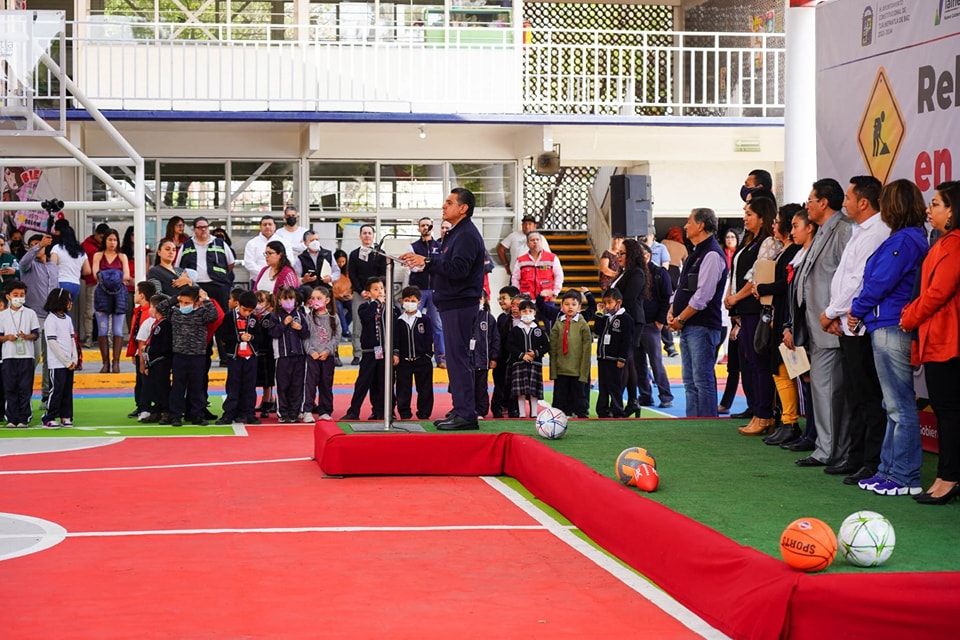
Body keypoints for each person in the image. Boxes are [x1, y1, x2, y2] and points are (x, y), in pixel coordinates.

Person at [847, 179, 928, 495]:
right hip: (884, 324)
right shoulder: (905, 238)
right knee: (891, 402)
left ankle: (904, 476)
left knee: (898, 404)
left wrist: (857, 308)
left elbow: (881, 281)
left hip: (892, 326)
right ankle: (890, 470)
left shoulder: (906, 241)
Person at [817, 176, 891, 477]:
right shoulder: (859, 230)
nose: (844, 203)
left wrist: (831, 312)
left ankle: (870, 461)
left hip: (857, 323)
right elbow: (844, 277)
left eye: (848, 197)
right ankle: (856, 455)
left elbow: (859, 281)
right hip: (846, 323)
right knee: (855, 395)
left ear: (863, 202)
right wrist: (833, 314)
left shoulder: (878, 231)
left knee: (868, 396)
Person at [400, 188, 487, 431]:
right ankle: (461, 408)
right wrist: (421, 262)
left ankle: (466, 413)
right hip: (450, 302)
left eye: (449, 203)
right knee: (455, 359)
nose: (443, 206)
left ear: (463, 208)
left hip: (460, 303)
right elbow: (446, 265)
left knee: (458, 359)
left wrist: (427, 261)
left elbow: (458, 269)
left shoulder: (467, 235)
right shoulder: (454, 234)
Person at [900, 180, 960, 504]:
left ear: (953, 211)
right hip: (938, 339)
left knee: (949, 412)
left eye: (936, 203)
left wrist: (908, 317)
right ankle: (946, 476)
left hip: (947, 341)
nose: (929, 209)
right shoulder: (943, 242)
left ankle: (948, 478)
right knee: (948, 412)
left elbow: (937, 293)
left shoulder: (954, 244)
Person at [791, 178, 853, 468]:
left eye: (810, 200)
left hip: (831, 325)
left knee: (829, 391)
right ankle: (825, 447)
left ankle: (830, 450)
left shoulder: (843, 230)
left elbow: (850, 277)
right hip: (816, 325)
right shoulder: (824, 231)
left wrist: (837, 314)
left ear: (823, 203)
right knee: (822, 389)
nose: (807, 205)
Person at [725, 196, 781, 436]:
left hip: (757, 309)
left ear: (762, 217)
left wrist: (736, 298)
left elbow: (755, 276)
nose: (745, 218)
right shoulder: (750, 242)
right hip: (743, 310)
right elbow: (737, 273)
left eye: (749, 214)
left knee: (759, 363)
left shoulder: (768, 242)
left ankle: (764, 414)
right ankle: (758, 412)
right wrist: (731, 298)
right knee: (750, 363)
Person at [668, 208, 728, 418]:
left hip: (701, 325)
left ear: (701, 225)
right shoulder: (696, 252)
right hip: (689, 325)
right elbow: (683, 288)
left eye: (689, 221)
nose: (685, 226)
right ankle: (692, 422)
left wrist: (681, 317)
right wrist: (671, 310)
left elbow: (703, 296)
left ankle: (706, 424)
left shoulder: (711, 254)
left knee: (701, 380)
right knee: (690, 381)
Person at [753, 204, 804, 445]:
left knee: (786, 370)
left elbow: (785, 284)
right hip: (779, 315)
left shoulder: (794, 251)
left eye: (778, 221)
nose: (774, 225)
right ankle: (787, 420)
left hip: (786, 315)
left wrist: (762, 288)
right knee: (780, 370)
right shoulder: (788, 249)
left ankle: (790, 422)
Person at [780, 207, 820, 453]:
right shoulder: (799, 255)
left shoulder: (812, 255)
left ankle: (815, 435)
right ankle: (810, 432)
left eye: (796, 226)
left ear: (810, 228)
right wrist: (788, 326)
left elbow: (807, 298)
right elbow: (793, 298)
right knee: (805, 382)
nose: (792, 231)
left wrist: (794, 328)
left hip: (810, 328)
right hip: (796, 326)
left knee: (814, 385)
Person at [158, 286, 220, 426]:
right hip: (179, 356)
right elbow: (161, 307)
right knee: (177, 387)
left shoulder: (202, 313)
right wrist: (175, 298)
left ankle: (197, 415)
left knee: (196, 388)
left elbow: (214, 315)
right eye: (181, 302)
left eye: (187, 303)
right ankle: (176, 415)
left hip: (197, 357)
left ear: (197, 302)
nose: (183, 305)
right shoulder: (175, 312)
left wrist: (206, 299)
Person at [342, 277, 390, 421]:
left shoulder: (390, 308)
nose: (380, 292)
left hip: (385, 351)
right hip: (370, 351)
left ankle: (380, 411)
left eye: (381, 288)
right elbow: (367, 317)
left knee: (381, 383)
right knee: (363, 382)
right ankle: (353, 411)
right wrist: (376, 303)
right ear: (368, 293)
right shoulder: (365, 307)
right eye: (375, 289)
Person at [20, 234, 59, 403]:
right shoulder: (28, 266)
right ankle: (23, 396)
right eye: (33, 245)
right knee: (33, 358)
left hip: (51, 317)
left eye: (40, 244)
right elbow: (23, 263)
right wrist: (38, 246)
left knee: (50, 359)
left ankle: (46, 396)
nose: (37, 246)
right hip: (33, 317)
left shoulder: (53, 266)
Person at [610, 238, 646, 417]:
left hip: (631, 321)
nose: (618, 257)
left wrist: (615, 315)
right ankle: (632, 401)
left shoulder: (637, 273)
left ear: (631, 254)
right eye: (618, 253)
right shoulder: (625, 272)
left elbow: (629, 300)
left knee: (625, 361)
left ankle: (618, 403)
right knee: (629, 361)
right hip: (623, 320)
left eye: (621, 253)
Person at [636, 243, 674, 409]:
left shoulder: (660, 273)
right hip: (637, 325)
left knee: (656, 362)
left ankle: (666, 396)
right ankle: (645, 395)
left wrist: (660, 321)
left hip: (652, 324)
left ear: (648, 255)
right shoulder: (633, 274)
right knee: (639, 364)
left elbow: (667, 298)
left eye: (641, 255)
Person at [216, 290, 262, 426]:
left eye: (250, 311)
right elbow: (223, 337)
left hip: (250, 357)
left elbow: (260, 337)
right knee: (233, 385)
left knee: (249, 386)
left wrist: (251, 338)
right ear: (238, 304)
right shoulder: (229, 317)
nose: (247, 313)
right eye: (244, 310)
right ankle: (229, 413)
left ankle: (249, 413)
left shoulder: (254, 319)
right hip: (235, 357)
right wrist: (238, 338)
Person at [176, 217, 235, 319]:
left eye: (205, 227)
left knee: (220, 316)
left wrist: (220, 276)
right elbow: (178, 267)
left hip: (218, 285)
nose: (203, 229)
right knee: (195, 318)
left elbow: (230, 264)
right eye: (200, 227)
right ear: (194, 229)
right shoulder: (186, 245)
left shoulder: (220, 243)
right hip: (194, 287)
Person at [407, 217, 446, 369]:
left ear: (432, 228)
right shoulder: (413, 247)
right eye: (422, 225)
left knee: (437, 324)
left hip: (435, 290)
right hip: (418, 290)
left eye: (428, 225)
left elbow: (441, 266)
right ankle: (415, 353)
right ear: (418, 229)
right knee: (414, 322)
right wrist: (430, 266)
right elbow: (412, 266)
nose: (425, 227)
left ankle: (441, 357)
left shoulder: (439, 246)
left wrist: (427, 265)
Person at [0, 281, 39, 427]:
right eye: (15, 295)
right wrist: (7, 338)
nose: (19, 297)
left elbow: (35, 334)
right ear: (8, 296)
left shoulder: (30, 313)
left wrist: (26, 336)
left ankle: (24, 417)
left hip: (26, 356)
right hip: (9, 356)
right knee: (10, 387)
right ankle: (11, 417)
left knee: (25, 387)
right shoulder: (3, 315)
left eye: (22, 295)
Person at [91, 228, 130, 374]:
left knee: (117, 329)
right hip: (102, 293)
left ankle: (116, 362)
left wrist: (106, 275)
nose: (112, 243)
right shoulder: (98, 255)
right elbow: (95, 274)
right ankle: (105, 362)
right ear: (104, 240)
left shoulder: (122, 256)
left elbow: (127, 275)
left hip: (119, 293)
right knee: (103, 329)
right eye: (110, 239)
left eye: (115, 240)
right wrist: (116, 276)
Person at [393, 285, 434, 421]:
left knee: (425, 389)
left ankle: (424, 413)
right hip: (404, 362)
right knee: (403, 389)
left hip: (422, 361)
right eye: (407, 300)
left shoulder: (425, 319)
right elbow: (396, 340)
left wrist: (428, 355)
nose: (410, 303)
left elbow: (429, 339)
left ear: (419, 303)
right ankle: (404, 413)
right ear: (402, 302)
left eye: (413, 300)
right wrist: (396, 354)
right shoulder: (398, 321)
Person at [591, 287, 633, 418]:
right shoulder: (606, 317)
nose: (607, 306)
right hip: (603, 358)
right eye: (605, 303)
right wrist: (599, 313)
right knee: (603, 386)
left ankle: (617, 411)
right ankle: (602, 411)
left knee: (614, 386)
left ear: (618, 303)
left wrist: (622, 358)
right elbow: (597, 330)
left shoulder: (626, 319)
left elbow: (627, 341)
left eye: (610, 303)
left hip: (615, 359)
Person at [548, 289, 591, 418]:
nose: (570, 307)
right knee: (560, 401)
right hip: (561, 370)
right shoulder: (558, 324)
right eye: (566, 304)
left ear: (579, 307)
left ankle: (581, 416)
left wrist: (584, 373)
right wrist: (553, 371)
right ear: (561, 307)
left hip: (577, 370)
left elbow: (587, 350)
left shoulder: (583, 325)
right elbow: (553, 348)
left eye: (573, 304)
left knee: (579, 399)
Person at [269, 286, 310, 423]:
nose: (288, 301)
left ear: (296, 301)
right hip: (282, 356)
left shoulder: (300, 316)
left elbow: (307, 334)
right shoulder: (275, 316)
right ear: (279, 301)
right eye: (285, 299)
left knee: (297, 385)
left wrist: (301, 328)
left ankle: (295, 412)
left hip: (299, 356)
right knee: (282, 385)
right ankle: (282, 412)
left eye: (291, 299)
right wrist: (283, 324)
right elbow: (273, 333)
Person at [347, 224, 386, 365]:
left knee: (377, 323)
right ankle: (357, 354)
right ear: (360, 236)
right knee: (358, 324)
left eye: (369, 233)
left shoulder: (380, 253)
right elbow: (352, 274)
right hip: (360, 293)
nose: (367, 235)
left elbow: (383, 274)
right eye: (364, 233)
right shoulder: (353, 254)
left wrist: (376, 292)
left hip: (377, 294)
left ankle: (378, 352)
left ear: (373, 235)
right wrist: (361, 290)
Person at [506, 299, 550, 419]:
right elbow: (509, 345)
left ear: (535, 313)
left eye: (530, 311)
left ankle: (534, 413)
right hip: (519, 364)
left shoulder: (538, 330)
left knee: (533, 391)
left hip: (535, 364)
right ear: (520, 313)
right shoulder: (516, 330)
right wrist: (521, 355)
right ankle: (522, 413)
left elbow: (546, 346)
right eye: (524, 311)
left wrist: (535, 353)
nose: (527, 313)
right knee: (520, 391)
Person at [41, 288, 78, 428]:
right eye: (68, 299)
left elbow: (72, 339)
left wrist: (74, 358)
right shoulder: (51, 320)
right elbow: (52, 343)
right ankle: (49, 416)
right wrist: (66, 361)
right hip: (57, 363)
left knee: (67, 390)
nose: (71, 302)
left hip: (69, 362)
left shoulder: (67, 319)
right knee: (56, 390)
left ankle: (66, 415)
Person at [302, 285, 340, 422]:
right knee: (310, 384)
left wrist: (327, 351)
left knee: (326, 384)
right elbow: (305, 337)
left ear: (327, 300)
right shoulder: (308, 317)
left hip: (327, 357)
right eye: (312, 298)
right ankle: (307, 410)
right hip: (312, 357)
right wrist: (311, 351)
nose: (315, 301)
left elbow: (336, 337)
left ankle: (325, 410)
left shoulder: (333, 317)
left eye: (319, 298)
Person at [717, 227, 742, 415]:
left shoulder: (741, 256)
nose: (730, 239)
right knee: (733, 366)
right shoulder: (725, 257)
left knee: (751, 368)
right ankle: (726, 402)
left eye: (733, 237)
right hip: (730, 311)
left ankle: (759, 408)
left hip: (742, 315)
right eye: (728, 237)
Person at [127, 281, 157, 420]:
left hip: (145, 352)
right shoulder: (138, 311)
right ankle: (140, 405)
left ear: (142, 295)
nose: (134, 294)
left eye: (136, 292)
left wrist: (141, 356)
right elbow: (135, 334)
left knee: (144, 380)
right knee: (139, 381)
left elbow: (143, 337)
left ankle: (145, 406)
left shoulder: (147, 314)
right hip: (139, 351)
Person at [511, 231, 564, 305]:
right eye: (532, 240)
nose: (535, 242)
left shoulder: (552, 258)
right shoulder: (521, 260)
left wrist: (555, 293)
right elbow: (515, 279)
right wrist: (518, 295)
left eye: (537, 240)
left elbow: (559, 276)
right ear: (527, 244)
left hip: (546, 299)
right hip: (527, 300)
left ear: (541, 242)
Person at [491, 285, 520, 419]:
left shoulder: (524, 318)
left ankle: (512, 407)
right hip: (502, 357)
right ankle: (498, 407)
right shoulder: (501, 318)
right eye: (500, 298)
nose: (501, 301)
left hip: (516, 357)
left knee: (514, 384)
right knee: (500, 383)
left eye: (504, 298)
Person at [143, 295, 173, 424]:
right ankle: (157, 409)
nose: (150, 310)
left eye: (151, 307)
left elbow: (165, 344)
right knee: (154, 387)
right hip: (154, 362)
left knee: (162, 387)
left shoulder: (165, 324)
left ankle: (166, 411)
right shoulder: (156, 324)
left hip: (161, 361)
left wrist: (152, 351)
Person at [80, 223, 109, 347]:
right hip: (92, 282)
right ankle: (88, 338)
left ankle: (107, 338)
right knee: (89, 312)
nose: (103, 240)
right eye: (101, 237)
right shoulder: (86, 245)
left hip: (107, 284)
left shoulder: (108, 245)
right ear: (95, 234)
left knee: (107, 312)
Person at [471, 292, 499, 419]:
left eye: (479, 298)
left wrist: (494, 357)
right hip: (467, 360)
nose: (477, 301)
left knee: (481, 387)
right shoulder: (464, 316)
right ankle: (464, 408)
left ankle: (481, 410)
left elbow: (495, 339)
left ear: (484, 300)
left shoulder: (489, 318)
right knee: (465, 386)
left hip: (483, 360)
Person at [49, 224, 90, 304]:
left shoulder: (57, 248)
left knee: (58, 311)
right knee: (66, 309)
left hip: (61, 282)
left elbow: (52, 266)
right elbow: (87, 270)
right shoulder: (81, 251)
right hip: (75, 285)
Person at [254, 290, 277, 418]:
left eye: (261, 302)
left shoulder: (269, 318)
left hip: (267, 353)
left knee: (267, 381)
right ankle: (263, 401)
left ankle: (267, 403)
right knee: (258, 379)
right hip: (257, 353)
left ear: (268, 303)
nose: (258, 305)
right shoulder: (255, 317)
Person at [295, 230, 338, 297]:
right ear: (305, 243)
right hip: (308, 293)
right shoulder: (300, 258)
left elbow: (336, 271)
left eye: (317, 239)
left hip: (325, 291)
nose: (315, 242)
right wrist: (304, 280)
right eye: (312, 240)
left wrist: (330, 278)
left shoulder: (328, 254)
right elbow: (296, 278)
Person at [242, 216, 277, 287]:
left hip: (277, 280)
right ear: (260, 227)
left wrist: (275, 274)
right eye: (264, 225)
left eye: (270, 224)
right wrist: (265, 274)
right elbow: (249, 263)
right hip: (257, 280)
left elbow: (289, 261)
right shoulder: (252, 243)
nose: (267, 227)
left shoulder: (283, 242)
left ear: (275, 226)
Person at [332, 249, 352, 341]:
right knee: (338, 307)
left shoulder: (349, 272)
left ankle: (343, 330)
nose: (341, 264)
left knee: (354, 307)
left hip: (347, 296)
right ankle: (345, 331)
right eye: (338, 262)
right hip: (335, 297)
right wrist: (338, 295)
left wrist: (351, 295)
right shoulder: (331, 272)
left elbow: (353, 286)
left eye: (343, 261)